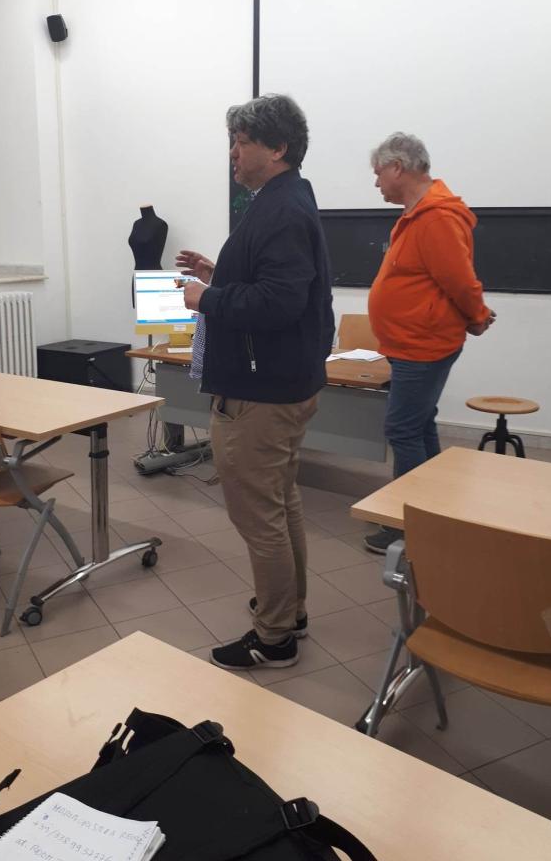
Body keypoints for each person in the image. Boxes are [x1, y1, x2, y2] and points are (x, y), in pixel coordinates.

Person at [177, 94, 334, 670]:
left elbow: (279, 302)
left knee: (259, 516)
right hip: (278, 382)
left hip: (259, 393)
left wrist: (207, 298)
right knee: (281, 503)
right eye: (232, 142)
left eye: (242, 143)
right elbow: (274, 282)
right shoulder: (284, 199)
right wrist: (219, 274)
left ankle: (274, 638)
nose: (233, 154)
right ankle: (290, 611)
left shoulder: (281, 209)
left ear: (278, 148)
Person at [365, 132, 495, 554]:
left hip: (422, 346)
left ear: (398, 167)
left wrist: (477, 317)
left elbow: (460, 280)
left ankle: (409, 527)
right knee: (419, 425)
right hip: (411, 343)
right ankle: (434, 512)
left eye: (378, 173)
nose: (376, 182)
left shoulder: (435, 217)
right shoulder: (417, 214)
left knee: (401, 430)